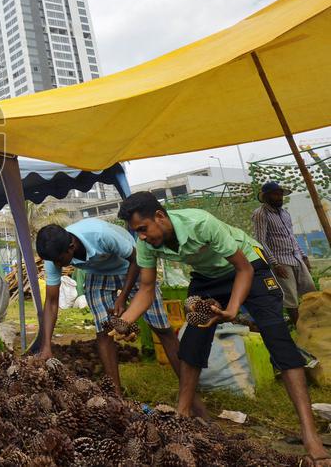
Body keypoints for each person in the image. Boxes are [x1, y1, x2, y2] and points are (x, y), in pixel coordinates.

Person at [114, 191, 329, 464]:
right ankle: (183, 416)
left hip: (249, 265)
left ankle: (310, 435)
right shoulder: (146, 243)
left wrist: (232, 309)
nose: (141, 237)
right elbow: (146, 289)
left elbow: (244, 270)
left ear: (159, 216)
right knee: (192, 341)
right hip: (208, 277)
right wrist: (124, 322)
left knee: (278, 340)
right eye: (137, 232)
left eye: (143, 229)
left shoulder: (200, 223)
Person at [35, 219, 202, 411]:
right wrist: (46, 346)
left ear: (71, 247)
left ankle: (190, 394)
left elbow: (136, 259)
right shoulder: (53, 256)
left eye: (59, 260)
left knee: (162, 329)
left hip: (132, 266)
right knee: (103, 331)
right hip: (98, 274)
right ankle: (116, 398)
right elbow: (52, 302)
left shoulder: (101, 235)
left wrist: (123, 297)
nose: (56, 265)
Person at [252, 180, 315, 325]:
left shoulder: (285, 213)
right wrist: (274, 264)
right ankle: (299, 328)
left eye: (280, 194)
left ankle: (313, 323)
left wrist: (303, 256)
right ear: (266, 196)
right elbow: (260, 241)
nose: (279, 197)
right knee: (290, 296)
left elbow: (291, 237)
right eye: (275, 194)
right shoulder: (261, 214)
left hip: (296, 257)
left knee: (310, 290)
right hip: (280, 261)